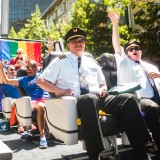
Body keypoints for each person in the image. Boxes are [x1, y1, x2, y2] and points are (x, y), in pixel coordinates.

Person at [36, 27, 152, 160]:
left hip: (97, 98)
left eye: (81, 41)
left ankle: (140, 149)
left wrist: (103, 88)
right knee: (89, 98)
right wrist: (60, 91)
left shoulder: (90, 61)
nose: (78, 44)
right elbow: (41, 81)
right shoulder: (61, 58)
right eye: (74, 41)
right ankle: (94, 154)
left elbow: (102, 83)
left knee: (128, 99)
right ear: (68, 44)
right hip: (74, 101)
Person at [108, 10, 160, 154]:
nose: (134, 50)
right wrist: (115, 24)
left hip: (156, 98)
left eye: (136, 48)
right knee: (152, 108)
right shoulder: (124, 62)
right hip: (137, 102)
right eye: (130, 49)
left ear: (141, 52)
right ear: (126, 53)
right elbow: (116, 45)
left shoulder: (150, 66)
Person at [0, 60, 50, 149]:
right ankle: (42, 136)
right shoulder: (23, 79)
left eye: (30, 67)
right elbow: (7, 81)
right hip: (34, 102)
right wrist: (1, 68)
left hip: (48, 100)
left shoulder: (43, 75)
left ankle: (38, 130)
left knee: (42, 105)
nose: (28, 69)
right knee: (38, 106)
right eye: (27, 67)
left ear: (35, 68)